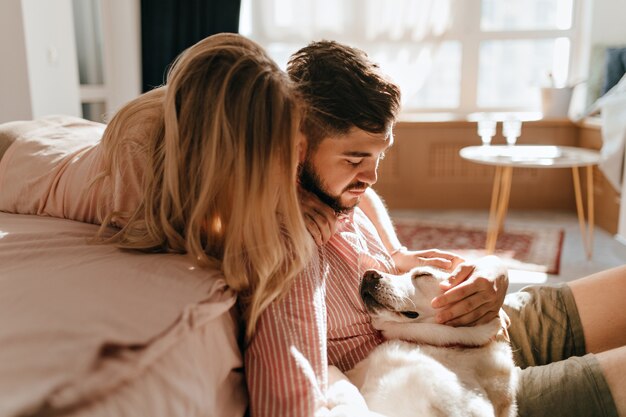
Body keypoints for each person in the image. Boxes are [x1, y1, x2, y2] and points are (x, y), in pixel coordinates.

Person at [244, 40, 626, 417]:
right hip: (455, 385)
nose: (372, 176)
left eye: (380, 155)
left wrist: (410, 255)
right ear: (296, 147)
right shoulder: (282, 244)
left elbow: (366, 198)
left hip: (463, 325)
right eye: (355, 159)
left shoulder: (333, 190)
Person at [0, 33, 314, 341]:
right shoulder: (138, 164)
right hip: (18, 162)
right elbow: (208, 244)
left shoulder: (188, 139)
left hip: (64, 135)